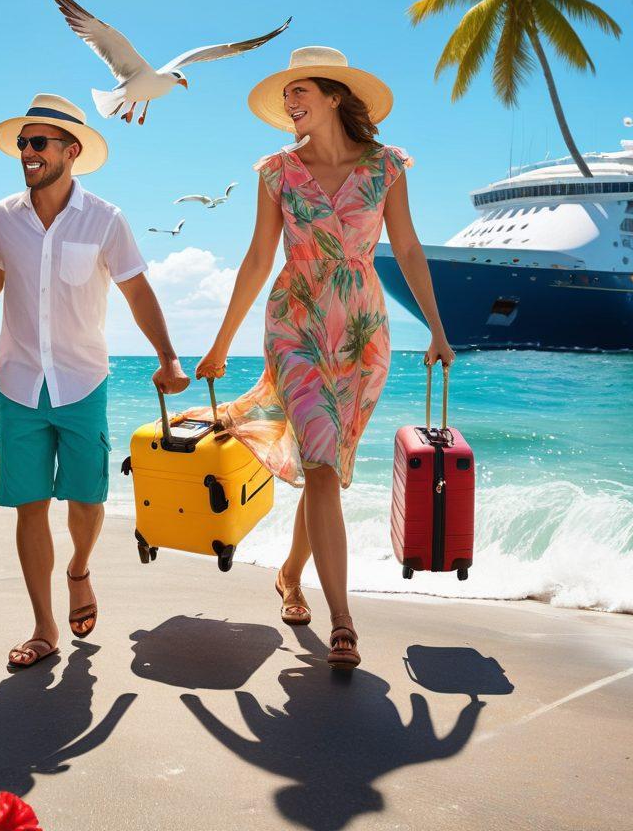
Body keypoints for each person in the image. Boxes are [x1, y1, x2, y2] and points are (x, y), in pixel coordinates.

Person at [194, 47, 455, 669]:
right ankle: (343, 622)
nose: (290, 102)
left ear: (335, 96)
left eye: (300, 91)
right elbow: (259, 257)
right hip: (296, 323)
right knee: (318, 464)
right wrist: (221, 342)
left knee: (326, 470)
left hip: (363, 332)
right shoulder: (276, 172)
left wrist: (437, 331)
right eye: (286, 95)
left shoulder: (386, 167)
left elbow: (408, 249)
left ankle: (290, 574)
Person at [0, 94, 190, 669]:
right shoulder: (1, 218)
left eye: (39, 142)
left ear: (72, 151)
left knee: (87, 500)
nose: (27, 151)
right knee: (31, 506)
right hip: (19, 384)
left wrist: (168, 358)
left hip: (83, 380)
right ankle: (43, 626)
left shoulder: (106, 219)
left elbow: (136, 289)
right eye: (23, 143)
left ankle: (80, 569)